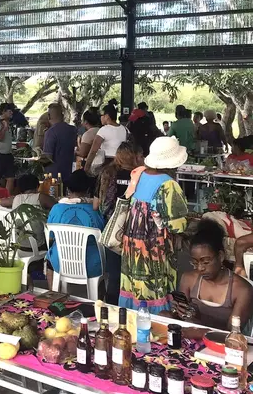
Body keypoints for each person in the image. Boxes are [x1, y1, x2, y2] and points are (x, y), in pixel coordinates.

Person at [119, 136, 189, 313]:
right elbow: (177, 225)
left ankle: (132, 319)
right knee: (154, 285)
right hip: (153, 245)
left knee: (135, 282)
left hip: (132, 241)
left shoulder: (139, 174)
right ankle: (155, 324)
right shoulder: (169, 184)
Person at [174, 219, 253, 331]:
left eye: (206, 262)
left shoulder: (241, 289)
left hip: (222, 346)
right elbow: (181, 320)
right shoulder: (189, 279)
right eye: (195, 263)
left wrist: (199, 328)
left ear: (220, 256)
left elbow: (232, 335)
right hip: (191, 340)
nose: (200, 268)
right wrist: (178, 311)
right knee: (164, 315)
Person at [93, 142, 142, 305]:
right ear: (134, 156)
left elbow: (97, 205)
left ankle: (112, 305)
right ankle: (133, 305)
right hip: (137, 227)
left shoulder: (107, 172)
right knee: (136, 271)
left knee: (114, 272)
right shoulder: (141, 175)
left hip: (113, 227)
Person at [46, 170, 105, 287]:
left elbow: (50, 238)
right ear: (88, 190)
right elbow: (103, 238)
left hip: (60, 263)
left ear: (68, 189)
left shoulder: (56, 209)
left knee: (49, 258)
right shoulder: (96, 211)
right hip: (92, 266)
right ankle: (99, 299)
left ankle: (52, 295)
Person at [84, 101, 127, 174]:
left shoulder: (104, 130)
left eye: (102, 115)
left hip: (107, 164)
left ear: (107, 116)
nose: (100, 118)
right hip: (121, 163)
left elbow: (93, 151)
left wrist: (86, 168)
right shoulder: (125, 129)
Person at [43, 103, 77, 179]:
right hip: (68, 173)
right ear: (62, 115)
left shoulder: (50, 132)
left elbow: (48, 157)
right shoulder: (73, 130)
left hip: (53, 175)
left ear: (49, 116)